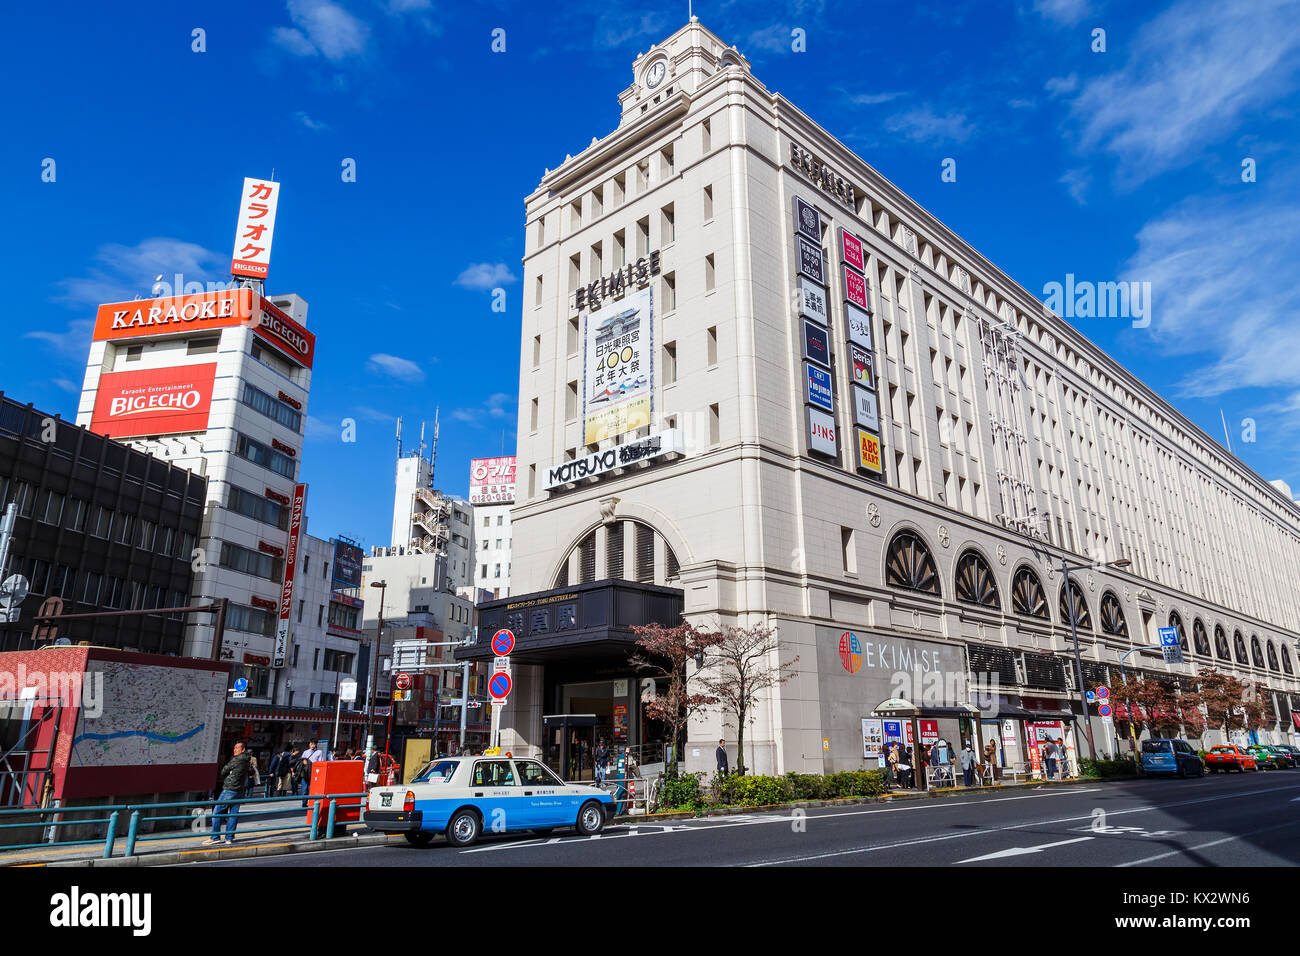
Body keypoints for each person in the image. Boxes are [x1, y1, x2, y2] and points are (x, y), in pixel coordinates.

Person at [207, 742, 251, 845]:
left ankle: (215, 837)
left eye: (237, 748)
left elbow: (224, 770)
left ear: (243, 750)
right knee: (233, 814)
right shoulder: (247, 760)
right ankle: (229, 838)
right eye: (234, 748)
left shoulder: (236, 759)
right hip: (240, 790)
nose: (234, 750)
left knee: (217, 812)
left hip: (229, 789)